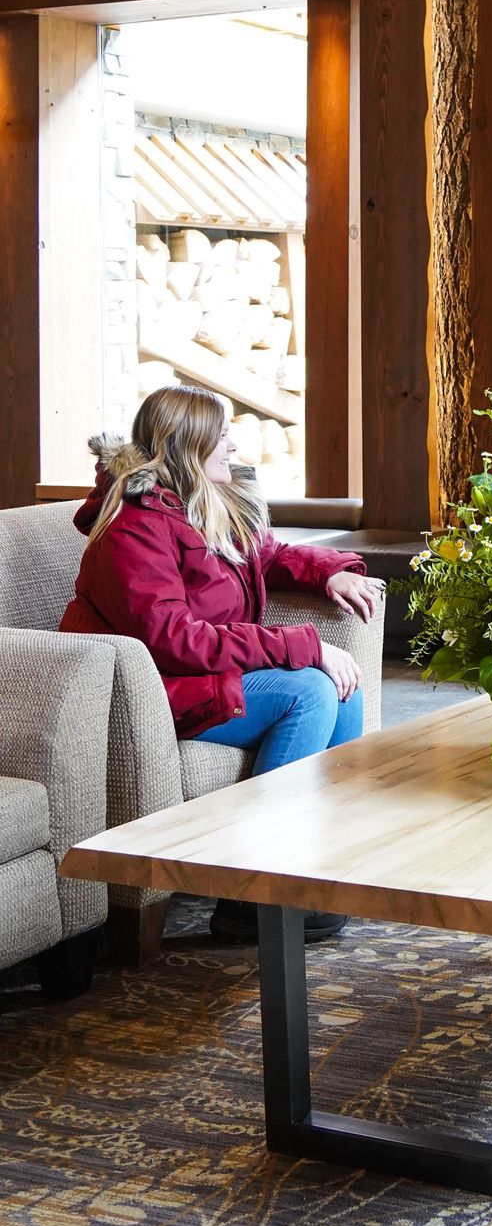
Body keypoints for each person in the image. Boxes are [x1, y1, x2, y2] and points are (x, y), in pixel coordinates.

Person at [62, 385, 385, 945]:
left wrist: (329, 570)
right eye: (223, 434)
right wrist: (299, 645)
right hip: (151, 690)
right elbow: (173, 639)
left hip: (200, 674)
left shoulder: (203, 500)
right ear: (188, 446)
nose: (233, 444)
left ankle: (313, 867)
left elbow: (268, 555)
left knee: (342, 687)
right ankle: (249, 896)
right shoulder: (134, 526)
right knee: (308, 690)